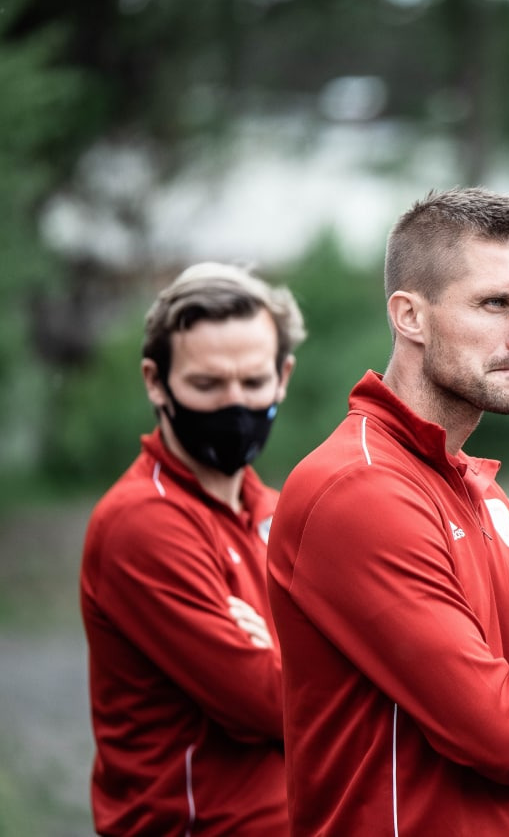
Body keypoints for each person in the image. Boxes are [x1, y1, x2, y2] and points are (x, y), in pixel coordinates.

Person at [267, 187, 509, 836]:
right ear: (410, 315)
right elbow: (500, 737)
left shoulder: (483, 493)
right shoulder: (359, 489)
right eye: (496, 303)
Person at [80, 262, 305, 835]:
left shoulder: (279, 511)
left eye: (253, 382)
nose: (235, 405)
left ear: (283, 376)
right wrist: (305, 653)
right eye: (207, 385)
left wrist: (278, 651)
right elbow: (269, 705)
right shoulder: (142, 523)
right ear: (156, 381)